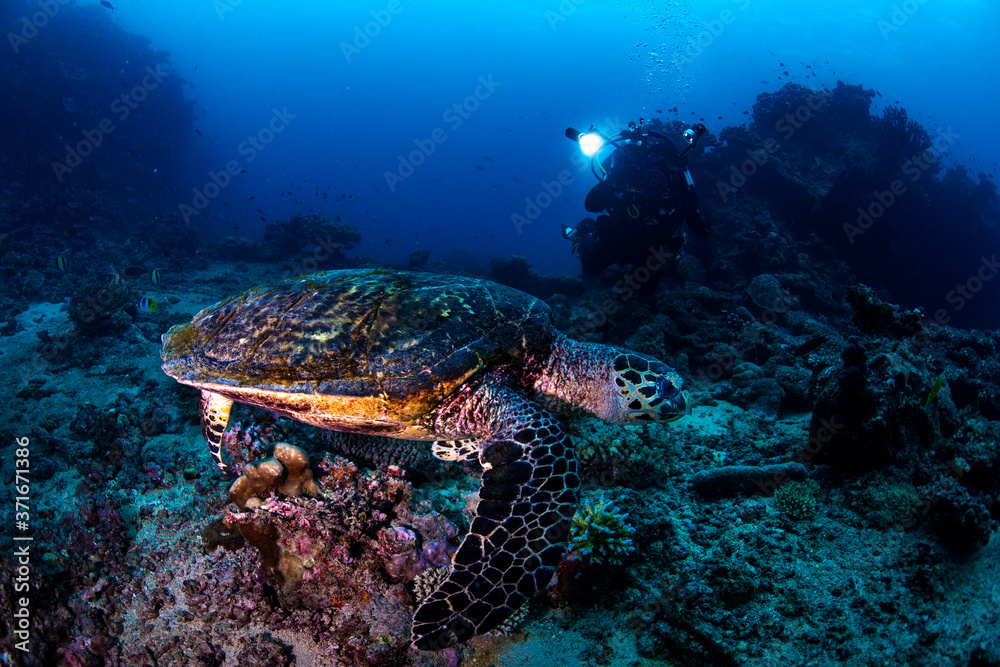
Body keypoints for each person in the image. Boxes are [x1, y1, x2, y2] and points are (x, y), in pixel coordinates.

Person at [563, 119, 711, 296]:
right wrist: (614, 180)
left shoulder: (675, 187)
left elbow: (702, 232)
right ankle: (584, 231)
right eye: (648, 171)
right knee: (590, 268)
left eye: (659, 174)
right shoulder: (625, 176)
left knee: (646, 294)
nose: (653, 180)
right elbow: (591, 205)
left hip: (650, 250)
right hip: (617, 239)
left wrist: (687, 201)